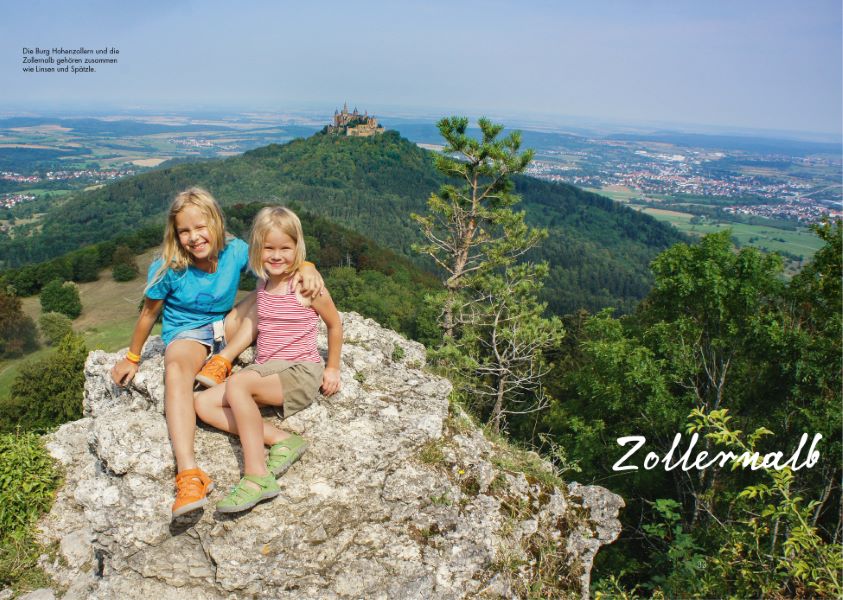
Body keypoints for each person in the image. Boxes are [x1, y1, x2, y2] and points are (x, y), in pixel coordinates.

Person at [110, 188, 323, 518]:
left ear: (217, 223)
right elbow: (149, 315)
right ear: (175, 234)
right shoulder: (169, 267)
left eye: (201, 227)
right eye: (184, 231)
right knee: (177, 372)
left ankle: (222, 362)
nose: (194, 237)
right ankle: (189, 474)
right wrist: (133, 357)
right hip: (190, 334)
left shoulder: (234, 251)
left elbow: (275, 265)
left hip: (229, 326)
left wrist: (307, 265)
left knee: (261, 291)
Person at [194, 206, 342, 514]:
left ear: (297, 249)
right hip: (267, 370)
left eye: (285, 249)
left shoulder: (305, 285)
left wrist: (332, 368)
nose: (276, 256)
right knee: (202, 404)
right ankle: (283, 440)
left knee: (237, 386)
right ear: (257, 250)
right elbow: (259, 323)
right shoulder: (263, 283)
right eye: (268, 248)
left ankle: (257, 476)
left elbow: (335, 324)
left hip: (299, 372)